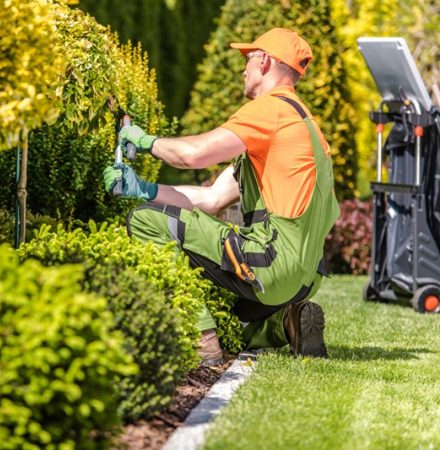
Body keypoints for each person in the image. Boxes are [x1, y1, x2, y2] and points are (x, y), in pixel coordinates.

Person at [103, 28, 339, 364]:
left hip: (271, 264)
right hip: (304, 278)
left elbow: (193, 155)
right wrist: (143, 189)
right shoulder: (304, 126)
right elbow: (212, 199)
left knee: (143, 220)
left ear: (265, 61)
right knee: (226, 311)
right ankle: (285, 323)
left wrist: (145, 141)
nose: (243, 69)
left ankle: (202, 341)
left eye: (247, 59)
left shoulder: (270, 110)